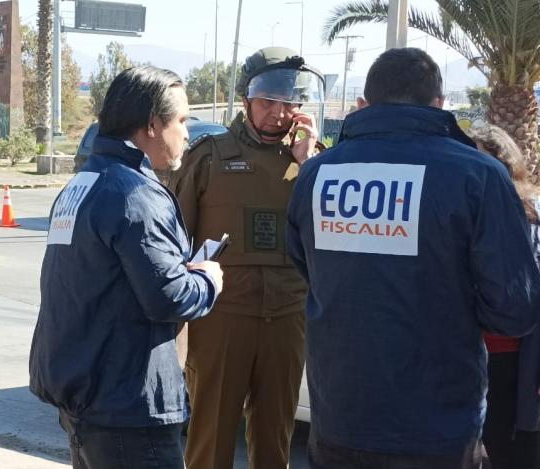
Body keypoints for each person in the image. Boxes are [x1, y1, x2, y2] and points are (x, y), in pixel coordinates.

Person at [286, 47, 540, 469]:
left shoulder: (317, 173)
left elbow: (305, 267)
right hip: (438, 428)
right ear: (439, 104)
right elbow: (514, 310)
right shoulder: (477, 175)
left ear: (363, 104)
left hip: (338, 421)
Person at [29, 66, 224, 469]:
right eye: (183, 120)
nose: (188, 133)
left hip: (85, 396)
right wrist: (206, 279)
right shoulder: (136, 194)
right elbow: (169, 297)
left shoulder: (82, 184)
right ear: (153, 125)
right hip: (128, 407)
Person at [169, 46, 324, 469]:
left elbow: (325, 242)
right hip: (222, 318)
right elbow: (175, 241)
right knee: (211, 436)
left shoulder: (314, 163)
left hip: (288, 318)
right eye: (267, 101)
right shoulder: (209, 157)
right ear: (245, 100)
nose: (279, 112)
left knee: (275, 438)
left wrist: (307, 164)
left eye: (289, 102)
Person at [470, 124, 540, 469]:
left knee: (509, 449)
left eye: (488, 161)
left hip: (513, 361)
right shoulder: (460, 213)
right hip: (464, 355)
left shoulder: (531, 218)